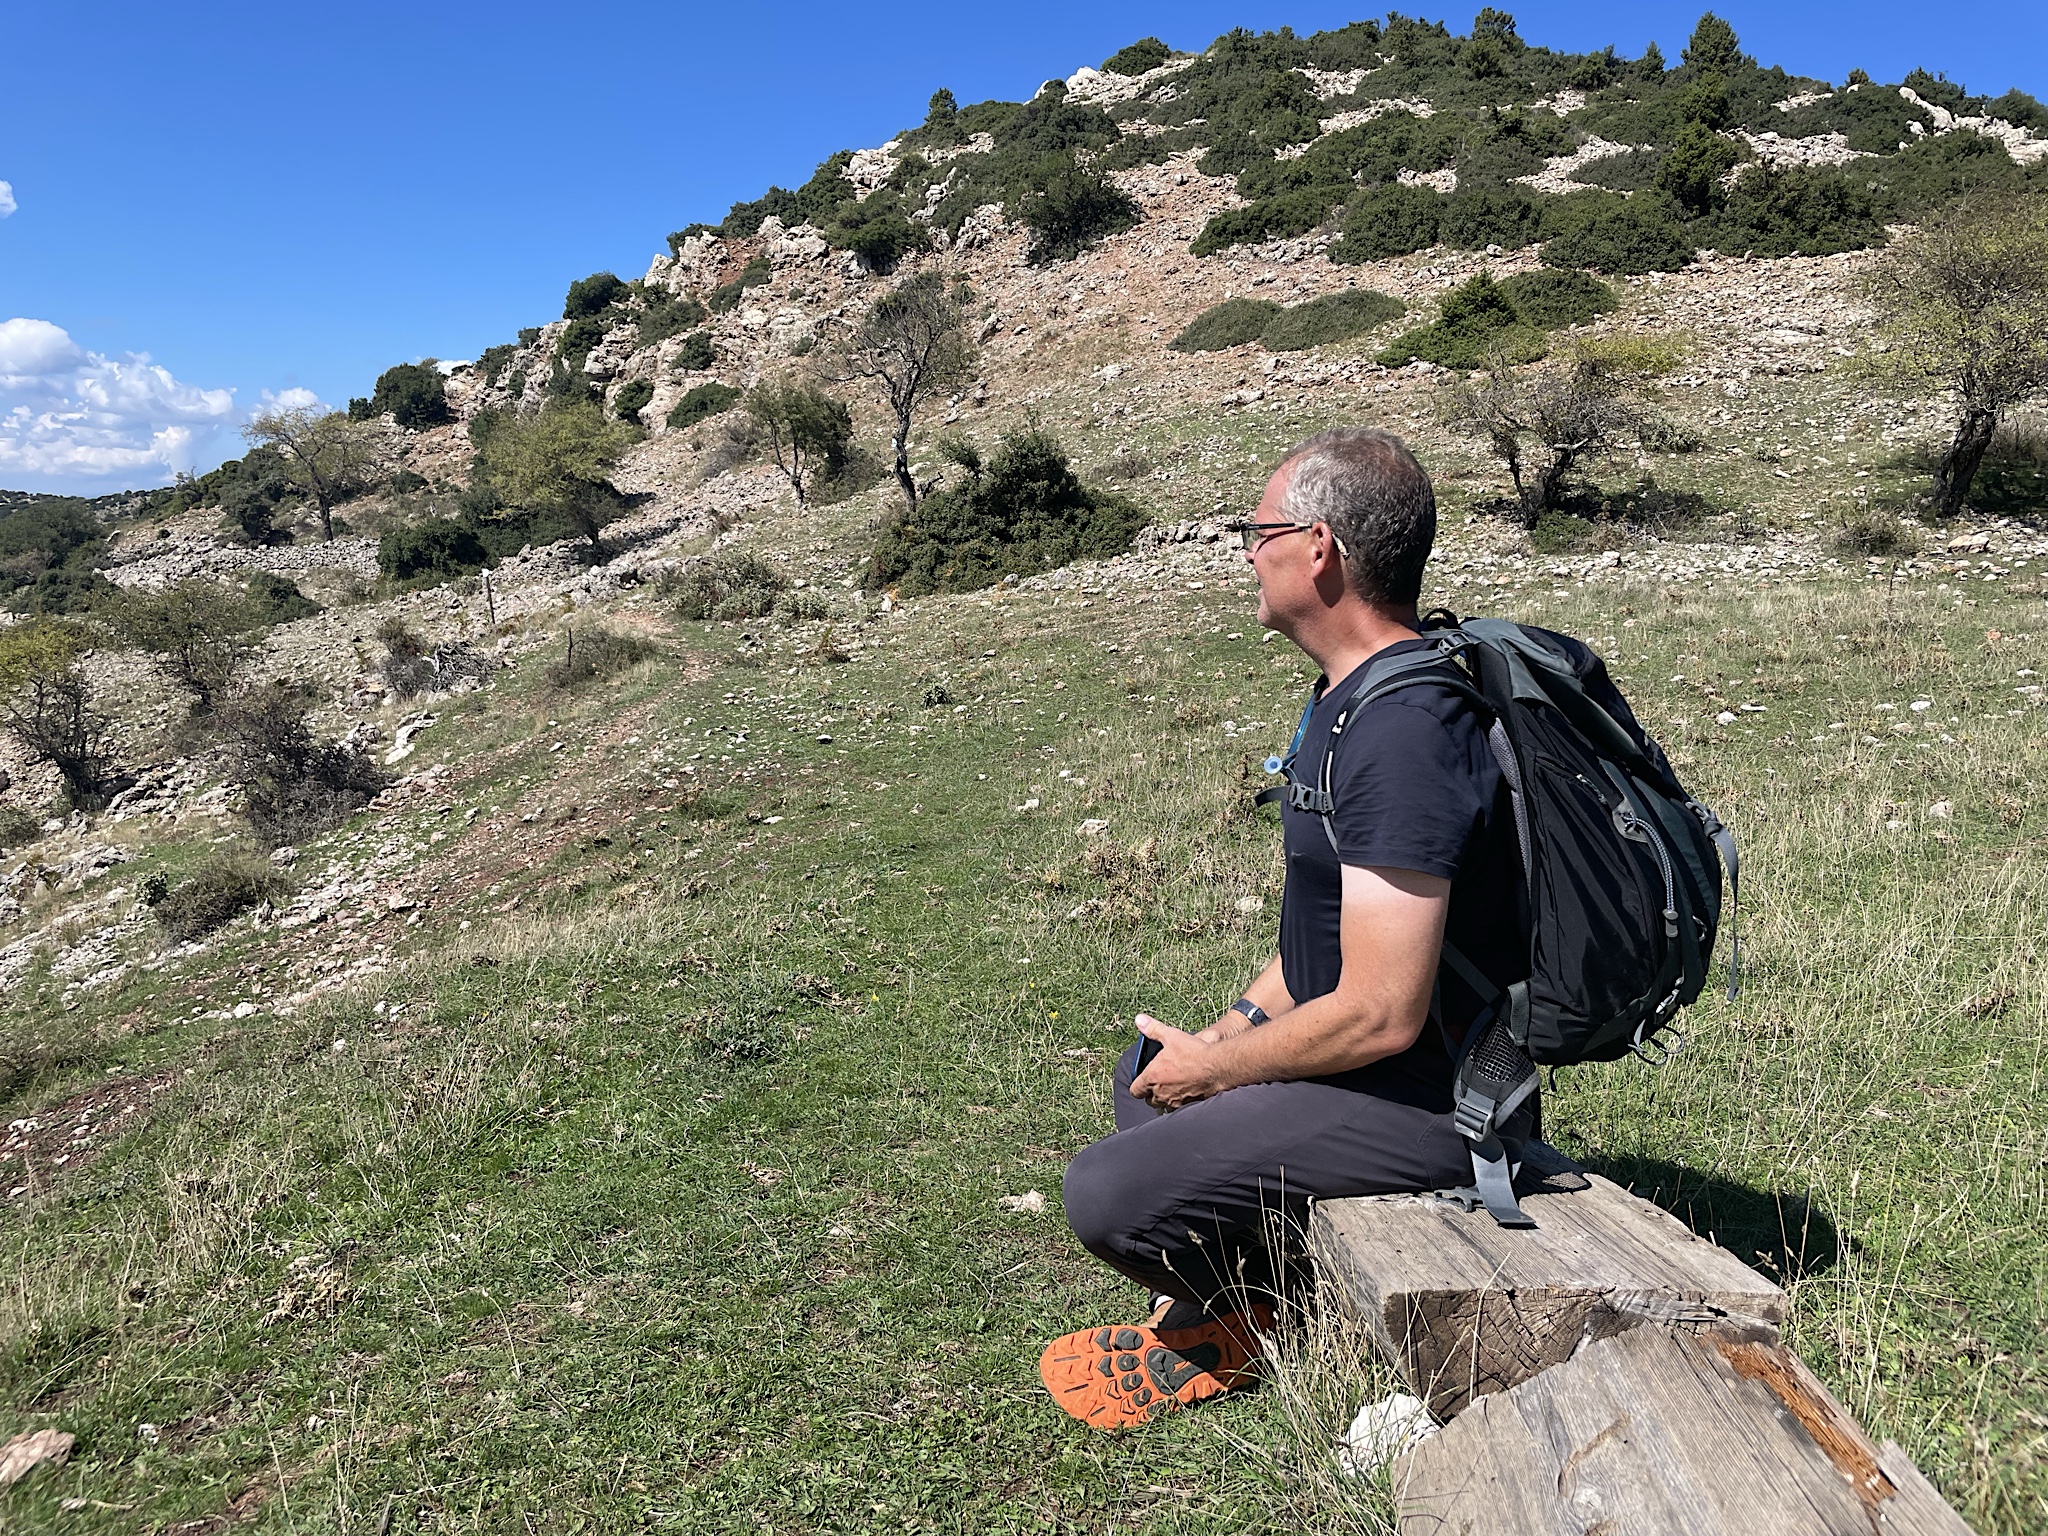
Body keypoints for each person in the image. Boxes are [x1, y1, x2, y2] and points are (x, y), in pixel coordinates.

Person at [1041, 426, 1528, 1431]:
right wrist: (1231, 1029)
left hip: (1425, 1102)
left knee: (1103, 1195)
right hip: (1357, 1069)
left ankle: (1264, 1310)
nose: (1243, 552)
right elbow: (1320, 931)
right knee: (1147, 1067)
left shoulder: (1401, 733)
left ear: (1317, 550)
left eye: (1255, 530)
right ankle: (1258, 1280)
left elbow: (1384, 1012)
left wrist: (1225, 1073)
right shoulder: (1343, 699)